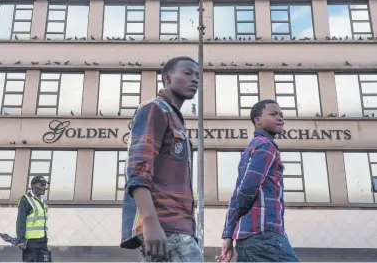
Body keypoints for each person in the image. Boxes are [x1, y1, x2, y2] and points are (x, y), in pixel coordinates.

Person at [120, 56, 203, 262]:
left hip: (179, 227)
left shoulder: (176, 119)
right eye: (187, 73)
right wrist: (150, 222)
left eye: (197, 76)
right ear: (167, 77)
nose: (195, 79)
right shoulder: (154, 108)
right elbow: (138, 168)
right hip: (166, 227)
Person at [216, 99, 300, 262]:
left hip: (248, 238)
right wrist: (233, 229)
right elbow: (246, 190)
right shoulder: (265, 146)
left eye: (281, 115)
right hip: (264, 236)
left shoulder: (251, 148)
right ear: (258, 120)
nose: (280, 118)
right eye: (273, 114)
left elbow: (236, 195)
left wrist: (229, 235)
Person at [16, 175, 51, 262]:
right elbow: (20, 221)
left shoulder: (43, 202)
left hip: (42, 242)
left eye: (45, 185)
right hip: (30, 243)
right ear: (33, 186)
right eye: (41, 185)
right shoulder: (25, 200)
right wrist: (21, 240)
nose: (44, 187)